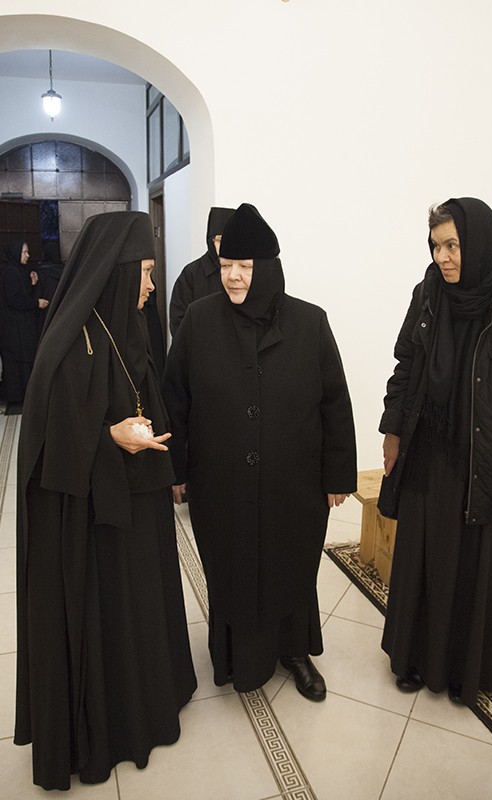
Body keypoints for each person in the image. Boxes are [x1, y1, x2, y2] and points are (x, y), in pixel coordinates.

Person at [15, 211, 197, 791]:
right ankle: (113, 725)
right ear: (116, 273)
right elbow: (46, 448)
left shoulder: (130, 327)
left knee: (142, 601)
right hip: (91, 522)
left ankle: (151, 700)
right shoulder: (68, 342)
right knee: (111, 612)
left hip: (138, 501)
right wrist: (108, 438)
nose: (151, 286)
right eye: (144, 273)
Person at [163, 203, 357, 700]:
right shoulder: (200, 320)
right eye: (226, 264)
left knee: (290, 567)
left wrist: (338, 476)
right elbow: (175, 399)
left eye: (244, 267)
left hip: (293, 486)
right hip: (220, 483)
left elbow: (335, 404)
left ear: (267, 268)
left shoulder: (310, 322)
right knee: (231, 568)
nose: (232, 276)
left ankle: (295, 652)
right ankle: (234, 657)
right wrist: (176, 469)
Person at [379, 197, 492, 707]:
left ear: (478, 243)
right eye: (436, 246)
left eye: (452, 245)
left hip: (488, 465)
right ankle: (413, 658)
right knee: (423, 561)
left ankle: (464, 670)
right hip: (428, 453)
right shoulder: (427, 294)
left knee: (475, 570)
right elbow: (405, 365)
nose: (442, 257)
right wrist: (392, 432)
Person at [168, 206, 234, 336]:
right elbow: (178, 321)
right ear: (211, 240)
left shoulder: (241, 272)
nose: (226, 245)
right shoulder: (191, 274)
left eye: (230, 239)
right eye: (220, 240)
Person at [0, 240, 49, 406]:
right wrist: (36, 303)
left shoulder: (17, 270)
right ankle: (18, 397)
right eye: (24, 252)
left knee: (21, 359)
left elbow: (21, 294)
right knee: (18, 360)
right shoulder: (10, 272)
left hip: (18, 324)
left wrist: (32, 284)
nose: (28, 255)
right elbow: (14, 299)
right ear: (15, 253)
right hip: (14, 326)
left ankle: (21, 396)